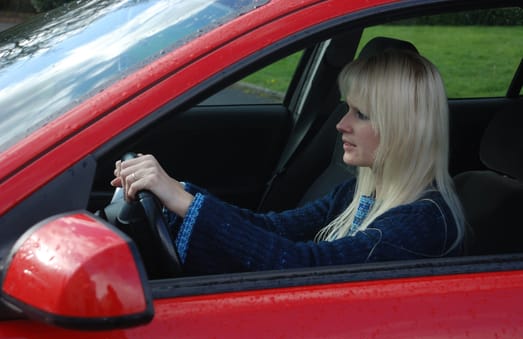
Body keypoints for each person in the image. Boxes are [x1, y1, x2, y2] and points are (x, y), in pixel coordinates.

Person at [111, 49, 465, 274]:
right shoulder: (356, 193)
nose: (341, 124)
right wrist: (177, 194)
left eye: (361, 114)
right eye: (346, 108)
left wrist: (186, 204)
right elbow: (274, 229)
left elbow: (309, 268)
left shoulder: (423, 222)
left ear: (402, 128)